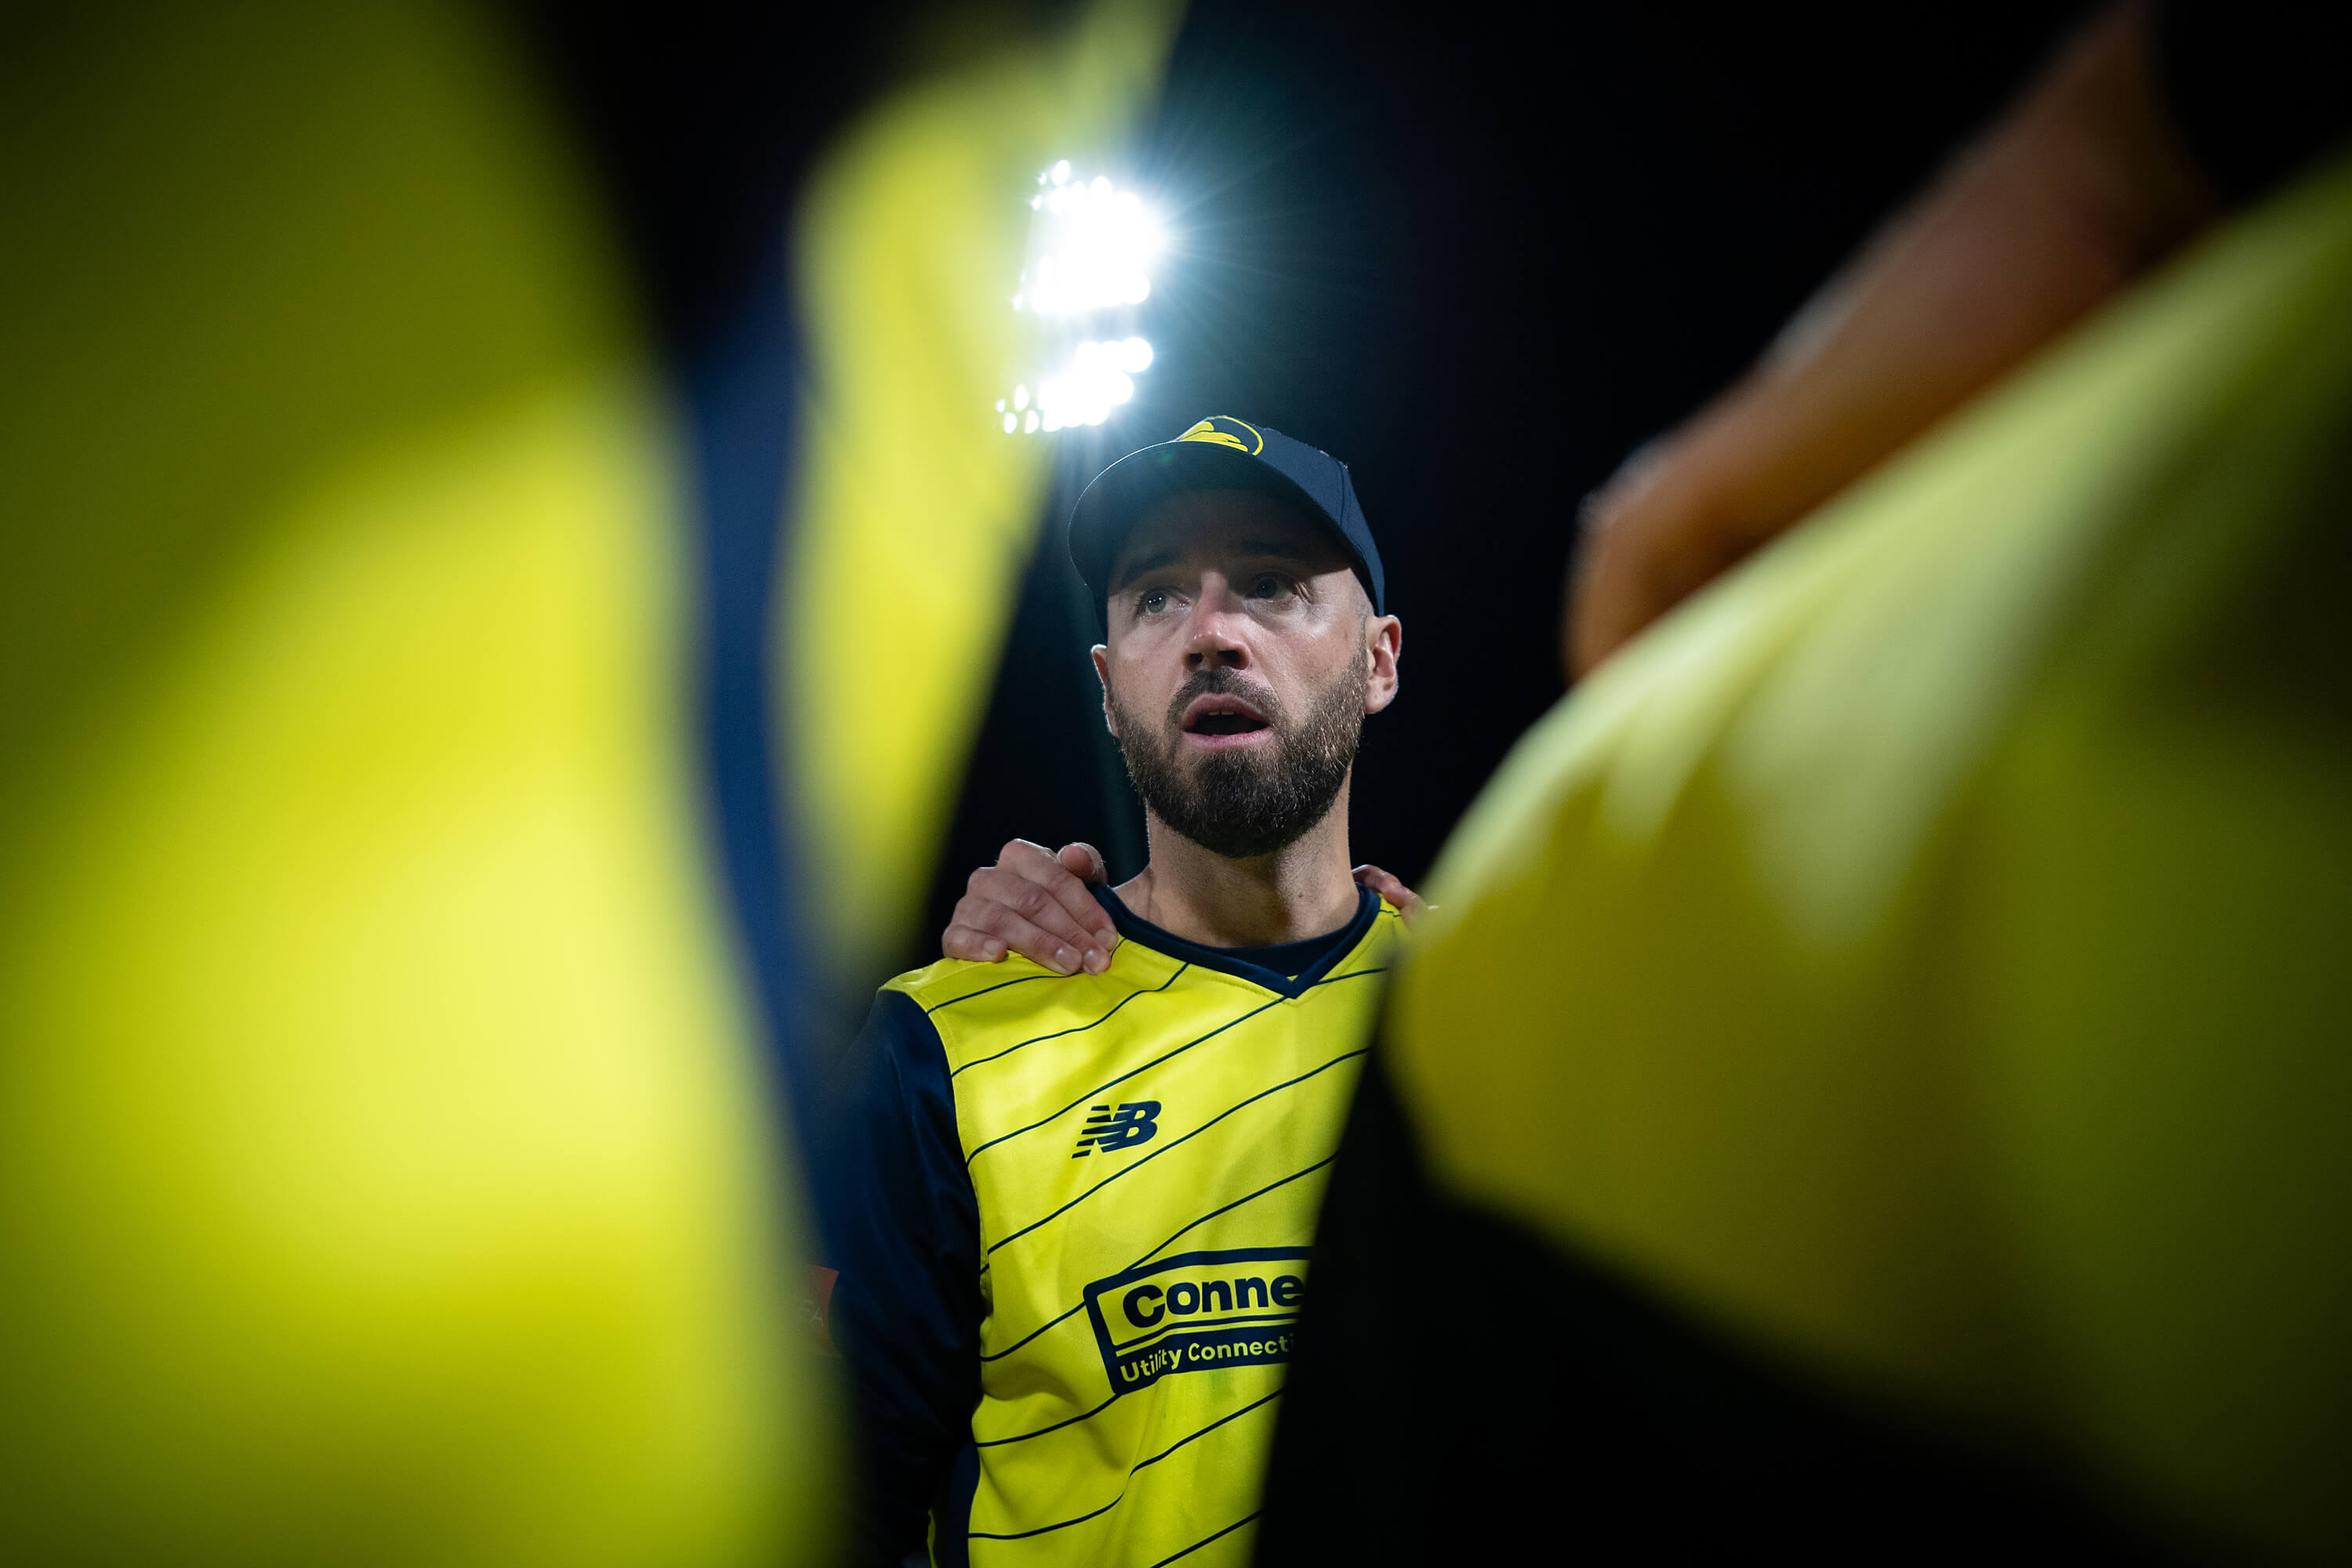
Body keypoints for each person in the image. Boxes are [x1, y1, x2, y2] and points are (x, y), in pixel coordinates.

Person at [822, 416, 1406, 1566]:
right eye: (1153, 599)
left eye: (1273, 583)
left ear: (1379, 658)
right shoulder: (944, 1039)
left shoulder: (1477, 1025)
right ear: (1106, 686)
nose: (1208, 635)